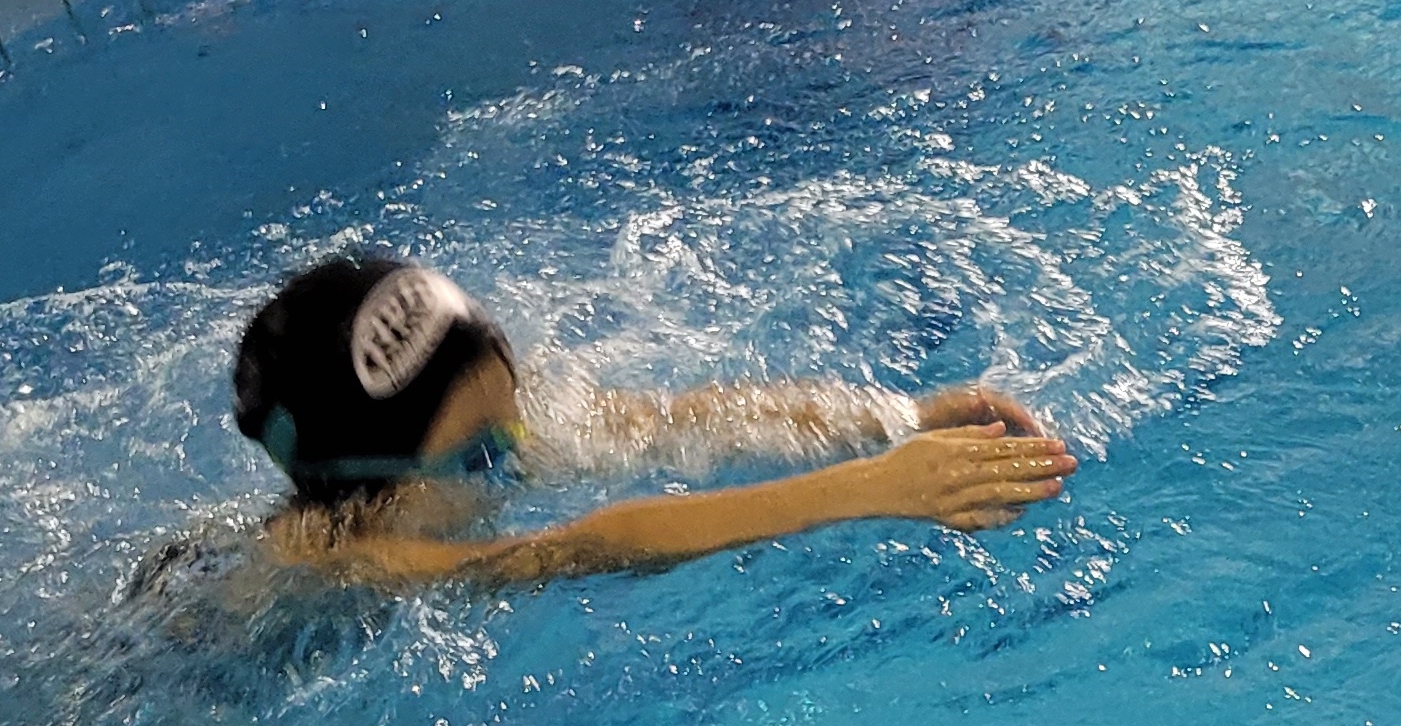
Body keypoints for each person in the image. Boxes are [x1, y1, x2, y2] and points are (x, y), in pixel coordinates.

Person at [225, 248, 1074, 588]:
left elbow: (682, 420)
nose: (519, 449)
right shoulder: (353, 560)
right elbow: (582, 547)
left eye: (512, 416)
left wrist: (896, 415)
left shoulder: (449, 446)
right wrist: (868, 488)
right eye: (483, 455)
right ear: (374, 491)